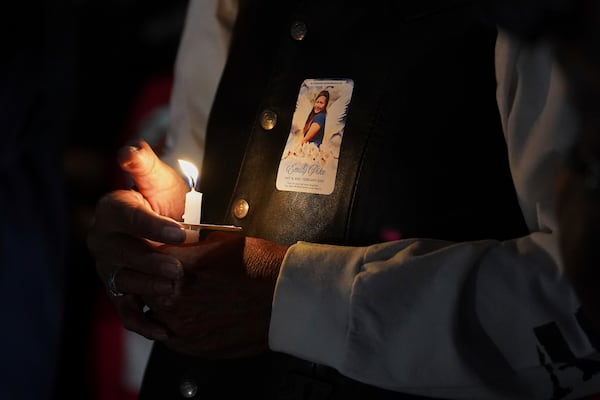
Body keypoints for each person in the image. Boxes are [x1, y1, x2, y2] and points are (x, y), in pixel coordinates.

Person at [87, 1, 600, 399]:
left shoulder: (539, 19)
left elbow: (580, 311)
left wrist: (287, 300)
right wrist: (155, 250)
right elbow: (199, 181)